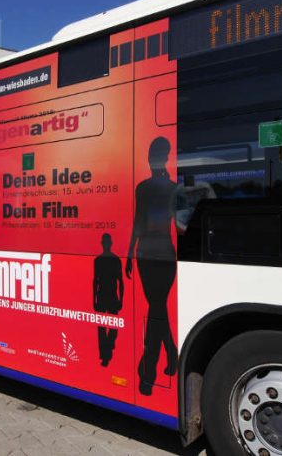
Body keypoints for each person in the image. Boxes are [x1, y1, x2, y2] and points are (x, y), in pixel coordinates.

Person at [125, 137, 178, 396]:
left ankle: (148, 374)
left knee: (156, 310)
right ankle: (172, 354)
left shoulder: (144, 188)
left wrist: (128, 254)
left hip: (148, 254)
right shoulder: (172, 188)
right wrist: (128, 254)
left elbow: (138, 223)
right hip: (162, 256)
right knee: (158, 309)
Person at [93, 233, 124, 367]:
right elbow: (95, 281)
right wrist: (93, 298)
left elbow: (120, 282)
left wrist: (121, 299)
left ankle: (107, 349)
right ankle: (106, 352)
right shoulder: (103, 260)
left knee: (110, 326)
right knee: (104, 326)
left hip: (107, 295)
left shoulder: (109, 260)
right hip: (107, 295)